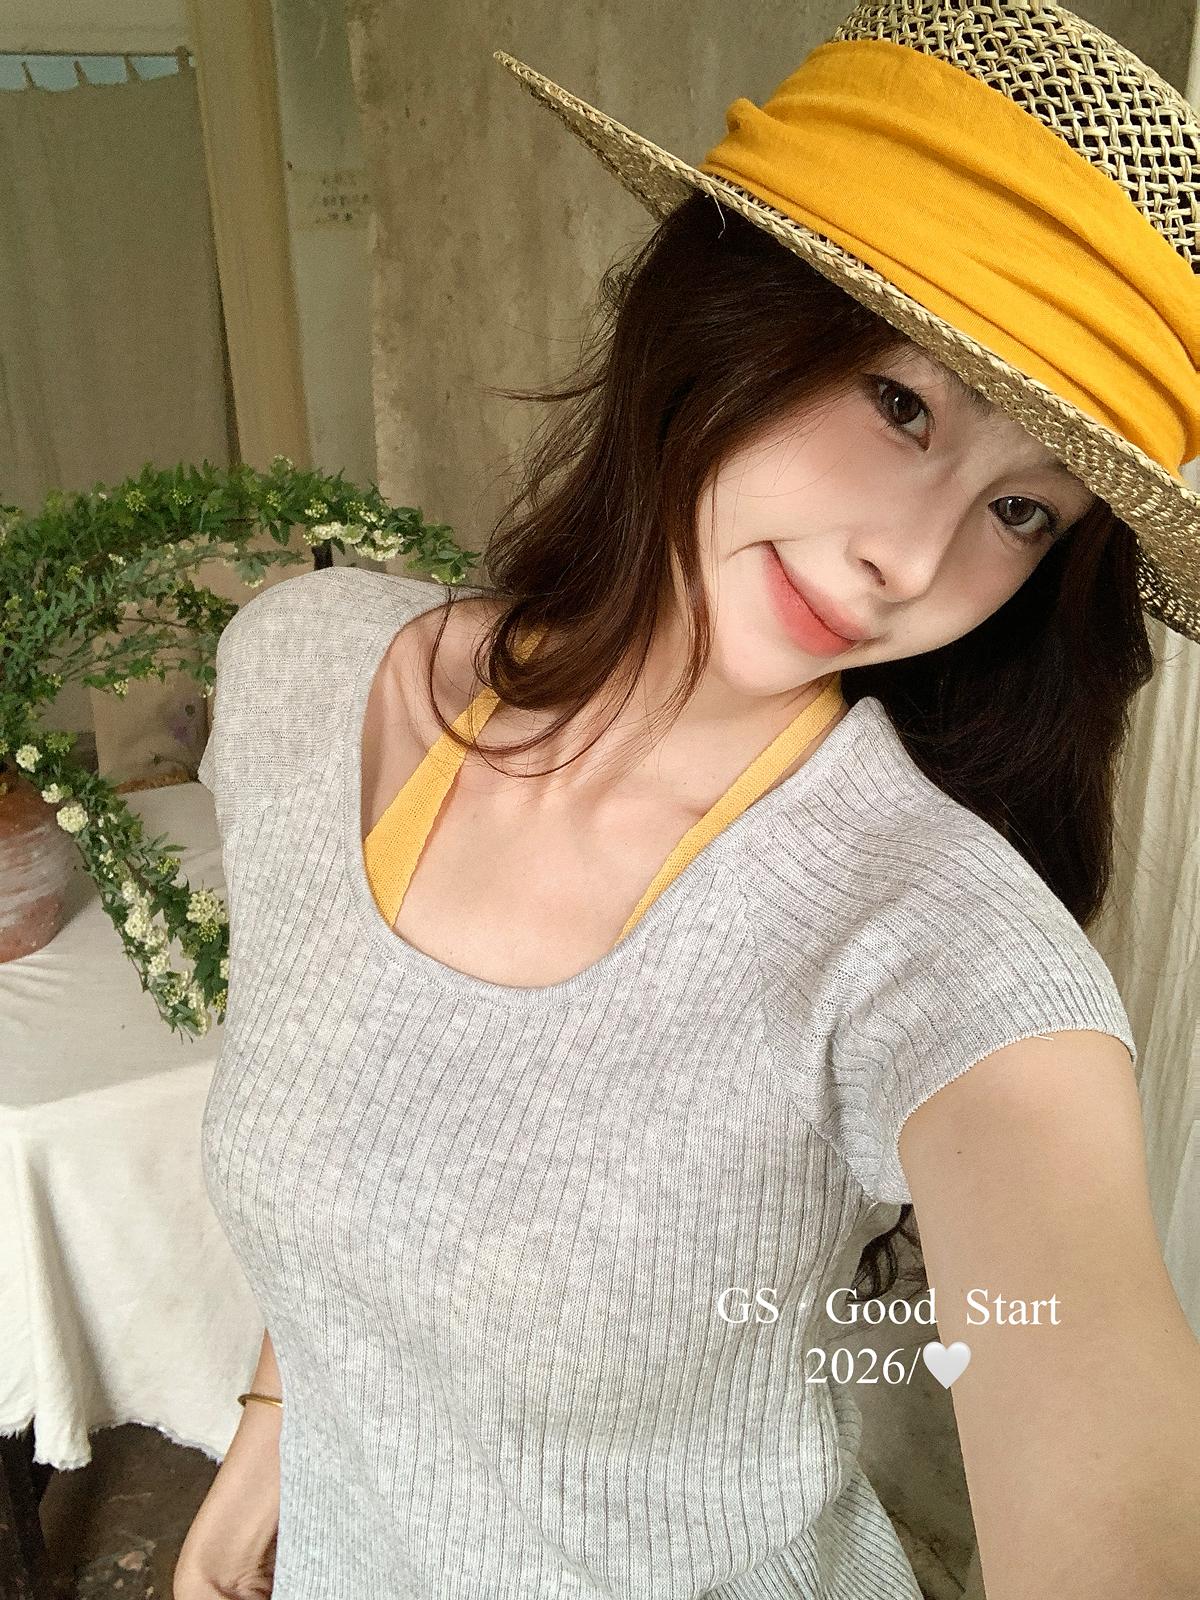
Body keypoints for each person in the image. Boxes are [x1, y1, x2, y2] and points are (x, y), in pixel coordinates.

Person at [176, 3, 1200, 1598]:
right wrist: (276, 1421)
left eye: (1020, 512)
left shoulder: (938, 948)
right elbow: (367, 1119)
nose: (909, 561)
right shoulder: (302, 680)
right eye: (902, 403)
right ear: (719, 314)